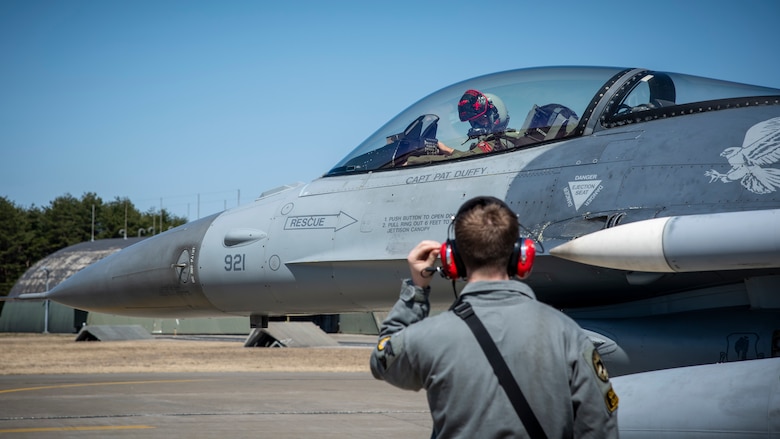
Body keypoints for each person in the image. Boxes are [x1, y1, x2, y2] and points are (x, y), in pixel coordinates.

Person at [370, 196, 619, 438]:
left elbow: (382, 360)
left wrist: (417, 289)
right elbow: (599, 425)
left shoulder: (428, 337)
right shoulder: (567, 334)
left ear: (451, 261)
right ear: (523, 257)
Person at [405, 90, 534, 165]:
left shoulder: (500, 142)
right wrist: (448, 151)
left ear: (496, 116)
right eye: (474, 122)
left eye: (481, 119)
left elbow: (465, 160)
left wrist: (410, 162)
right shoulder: (499, 141)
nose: (477, 126)